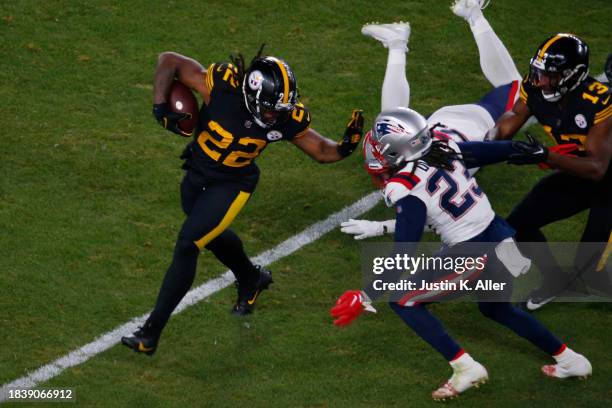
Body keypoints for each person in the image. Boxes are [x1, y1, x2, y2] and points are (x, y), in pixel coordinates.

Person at [331, 106, 592, 401]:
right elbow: (495, 150)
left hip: (472, 251)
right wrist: (534, 152)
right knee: (497, 309)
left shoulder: (404, 187)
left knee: (403, 301)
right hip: (499, 237)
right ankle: (571, 360)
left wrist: (365, 295)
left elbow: (403, 254)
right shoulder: (444, 145)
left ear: (398, 150)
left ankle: (466, 368)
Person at [121, 47, 364, 356]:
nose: (275, 115)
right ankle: (251, 278)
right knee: (208, 233)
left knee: (188, 243)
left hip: (232, 184)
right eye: (269, 108)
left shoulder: (284, 116)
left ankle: (150, 333)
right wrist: (159, 105)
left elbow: (321, 151)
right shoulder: (223, 87)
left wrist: (345, 147)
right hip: (196, 173)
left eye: (280, 109)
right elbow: (169, 60)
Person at [341, 0, 526, 239]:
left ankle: (403, 41)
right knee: (519, 90)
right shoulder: (432, 164)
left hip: (459, 124)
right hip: (444, 129)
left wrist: (380, 227)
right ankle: (471, 16)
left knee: (521, 91)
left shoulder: (417, 180)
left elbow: (432, 219)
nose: (385, 179)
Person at [490, 32, 612, 311]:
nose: (541, 81)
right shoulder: (534, 89)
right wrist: (479, 146)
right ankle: (555, 279)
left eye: (550, 75)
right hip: (577, 175)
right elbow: (508, 122)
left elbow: (597, 168)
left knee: (592, 274)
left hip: (605, 179)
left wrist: (547, 156)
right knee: (518, 226)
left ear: (573, 75)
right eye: (539, 72)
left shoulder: (600, 102)